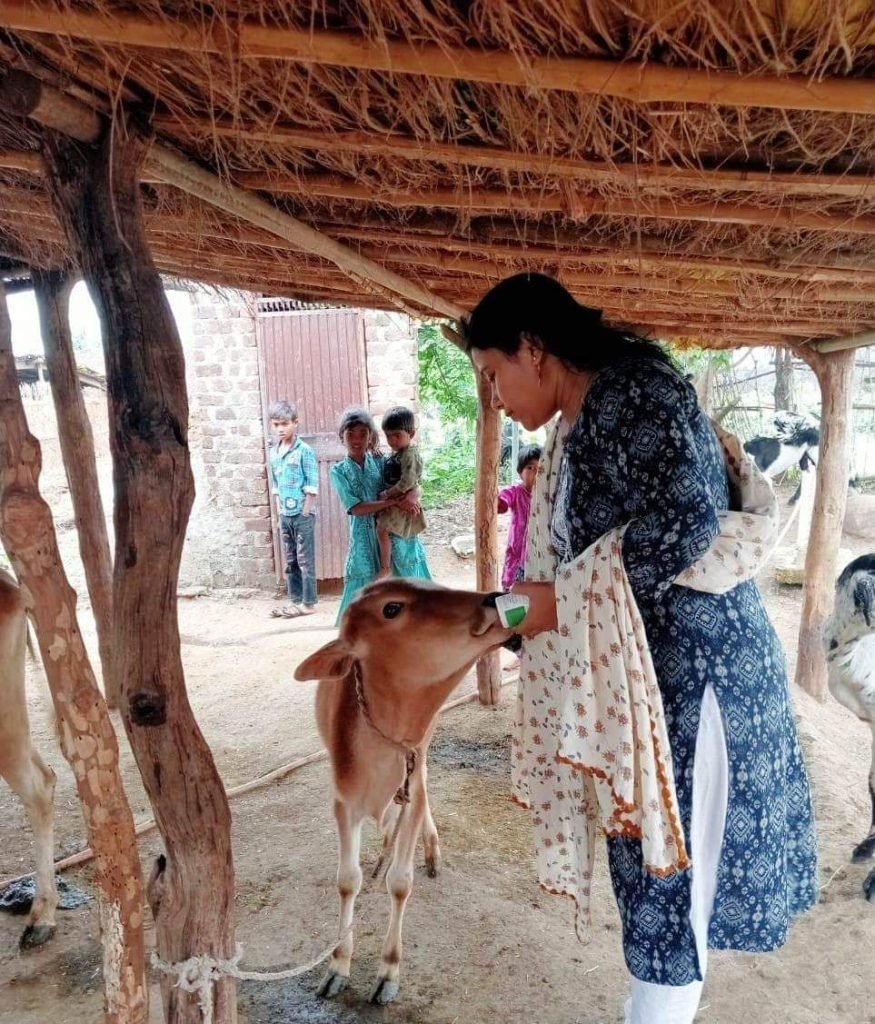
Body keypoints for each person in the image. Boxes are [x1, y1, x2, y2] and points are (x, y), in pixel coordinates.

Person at [465, 272, 817, 1024]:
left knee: (673, 884)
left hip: (693, 680)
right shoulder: (582, 415)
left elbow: (683, 523)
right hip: (650, 678)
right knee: (658, 879)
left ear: (533, 349)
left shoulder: (630, 393)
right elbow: (584, 557)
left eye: (493, 373)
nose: (494, 394)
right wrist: (511, 612)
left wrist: (540, 608)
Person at [330, 407, 431, 621]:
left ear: (371, 437)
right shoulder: (338, 471)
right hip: (364, 540)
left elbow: (411, 480)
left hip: (397, 534)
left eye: (362, 434)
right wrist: (394, 500)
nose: (357, 440)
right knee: (366, 592)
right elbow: (356, 508)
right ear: (342, 437)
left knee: (408, 590)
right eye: (350, 434)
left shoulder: (381, 461)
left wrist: (414, 494)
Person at [268, 399, 318, 619]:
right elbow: (276, 485)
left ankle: (308, 603)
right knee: (291, 561)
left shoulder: (304, 450)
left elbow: (312, 483)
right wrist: (280, 512)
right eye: (276, 424)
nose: (280, 429)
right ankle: (295, 600)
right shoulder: (274, 453)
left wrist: (305, 512)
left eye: (285, 424)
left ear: (295, 423)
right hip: (285, 516)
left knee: (305, 560)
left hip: (302, 515)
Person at [376, 406, 427, 579]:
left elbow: (408, 482)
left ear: (411, 434)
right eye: (388, 436)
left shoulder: (408, 455)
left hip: (402, 504)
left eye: (397, 435)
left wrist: (387, 493)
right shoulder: (399, 454)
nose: (392, 440)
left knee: (382, 530)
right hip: (398, 503)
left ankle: (385, 567)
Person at [497, 443, 541, 589]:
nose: (535, 473)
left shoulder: (546, 495)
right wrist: (497, 500)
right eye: (530, 468)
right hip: (517, 553)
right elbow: (502, 503)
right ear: (520, 471)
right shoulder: (516, 491)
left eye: (539, 469)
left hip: (537, 554)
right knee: (512, 590)